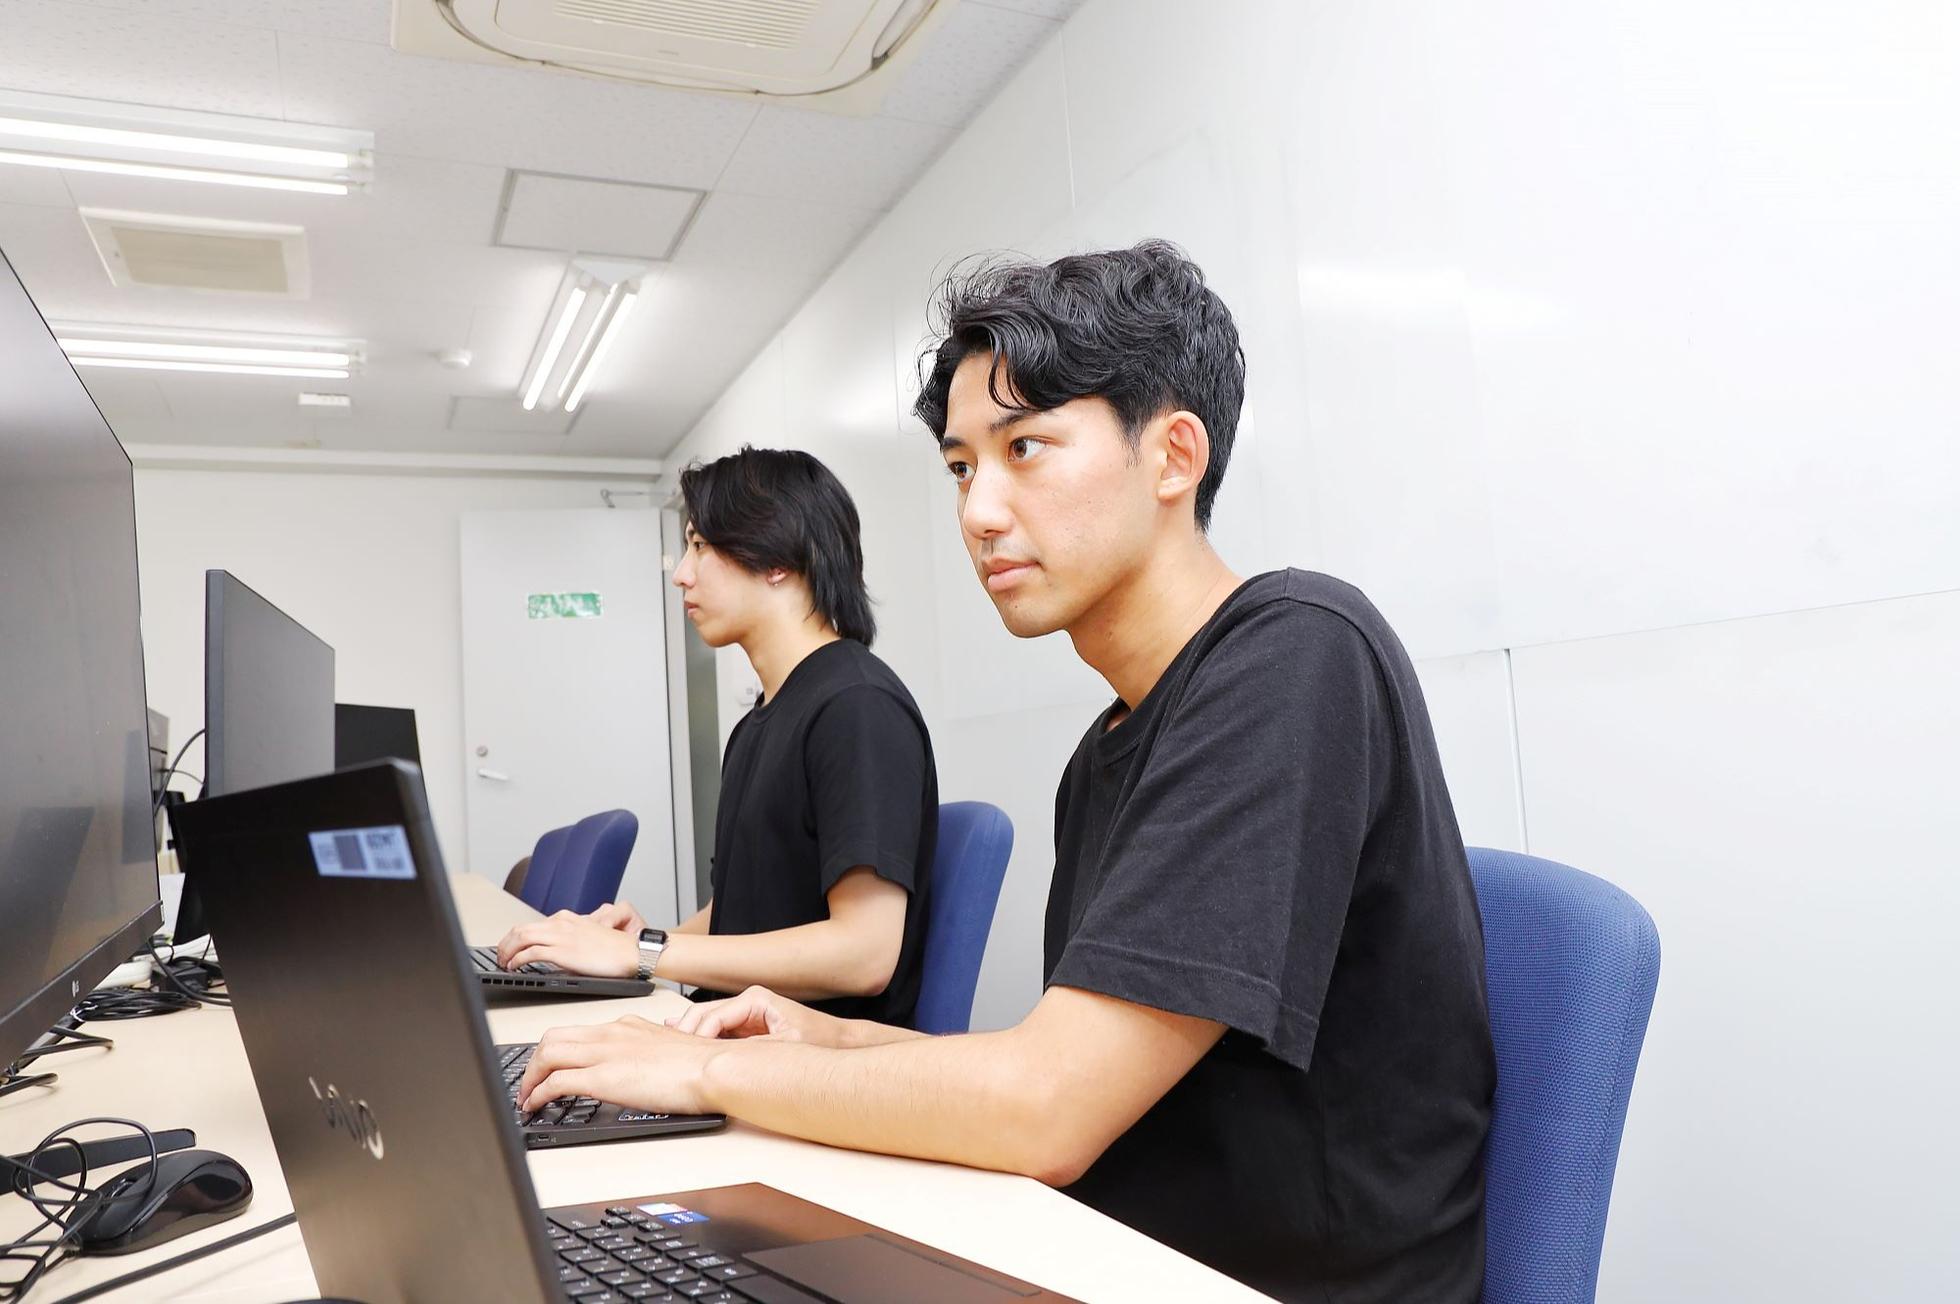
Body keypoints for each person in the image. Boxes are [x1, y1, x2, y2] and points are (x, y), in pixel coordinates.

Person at [516, 244, 1493, 1302]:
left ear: (1173, 456)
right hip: (1098, 1251)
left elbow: (1046, 1108)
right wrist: (825, 1039)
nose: (978, 512)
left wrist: (709, 1070)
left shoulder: (1296, 652)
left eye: (1025, 447)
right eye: (960, 467)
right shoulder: (1111, 743)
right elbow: (1062, 1060)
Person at [496, 446, 938, 1028]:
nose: (682, 572)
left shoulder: (856, 707)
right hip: (729, 1032)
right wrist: (642, 944)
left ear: (777, 559)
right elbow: (744, 912)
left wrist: (645, 955)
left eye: (701, 545)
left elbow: (865, 954)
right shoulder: (759, 721)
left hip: (805, 1055)